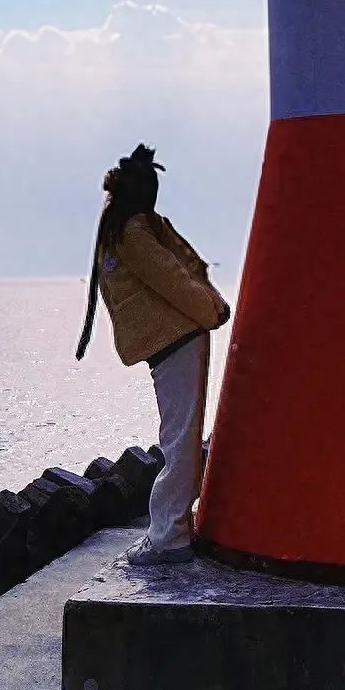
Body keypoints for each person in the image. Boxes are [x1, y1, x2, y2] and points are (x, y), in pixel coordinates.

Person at [75, 143, 230, 564]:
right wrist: (211, 308)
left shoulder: (131, 231)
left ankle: (168, 537)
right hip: (177, 338)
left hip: (176, 339)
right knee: (181, 433)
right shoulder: (137, 228)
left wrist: (211, 310)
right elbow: (180, 272)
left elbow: (172, 278)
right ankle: (172, 529)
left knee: (178, 437)